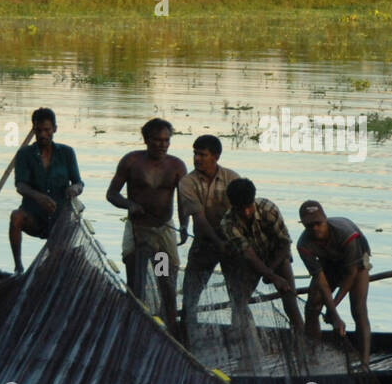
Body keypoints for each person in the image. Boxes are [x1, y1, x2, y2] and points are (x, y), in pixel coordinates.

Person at [106, 117, 187, 337]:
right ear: (146, 140)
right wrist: (129, 204)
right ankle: (133, 326)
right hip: (138, 229)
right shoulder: (132, 162)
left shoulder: (176, 166)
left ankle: (170, 328)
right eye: (157, 140)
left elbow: (183, 201)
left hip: (162, 232)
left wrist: (185, 224)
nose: (162, 145)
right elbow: (112, 194)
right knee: (136, 281)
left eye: (166, 141)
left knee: (164, 280)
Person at [218, 178, 303, 337]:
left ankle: (302, 342)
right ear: (233, 206)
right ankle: (243, 341)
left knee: (290, 299)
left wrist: (271, 272)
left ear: (253, 201)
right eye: (240, 209)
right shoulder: (228, 224)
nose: (246, 213)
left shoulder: (268, 209)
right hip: (248, 262)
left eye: (248, 207)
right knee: (239, 303)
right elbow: (249, 256)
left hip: (277, 255)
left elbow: (285, 244)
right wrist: (270, 276)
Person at [177, 135, 241, 344]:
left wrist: (230, 243)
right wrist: (218, 243)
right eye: (195, 154)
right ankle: (187, 336)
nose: (197, 159)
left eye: (202, 155)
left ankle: (237, 336)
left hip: (231, 242)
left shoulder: (232, 178)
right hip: (204, 242)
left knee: (238, 294)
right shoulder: (187, 182)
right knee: (191, 293)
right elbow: (200, 219)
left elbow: (241, 213)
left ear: (215, 156)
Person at [296, 201, 372, 366]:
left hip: (356, 264)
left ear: (325, 220)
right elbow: (321, 281)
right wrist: (333, 313)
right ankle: (312, 358)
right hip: (329, 263)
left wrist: (334, 308)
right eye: (310, 226)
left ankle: (365, 363)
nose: (315, 228)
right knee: (312, 307)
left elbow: (351, 274)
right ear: (303, 225)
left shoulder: (347, 234)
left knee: (358, 309)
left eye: (318, 223)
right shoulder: (303, 245)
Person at [9, 108, 84, 273]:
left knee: (55, 264)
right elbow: (20, 185)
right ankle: (18, 267)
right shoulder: (24, 154)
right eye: (38, 130)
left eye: (47, 130)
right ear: (33, 129)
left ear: (55, 129)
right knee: (16, 217)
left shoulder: (66, 153)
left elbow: (79, 183)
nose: (43, 134)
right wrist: (38, 197)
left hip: (60, 219)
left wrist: (74, 189)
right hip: (34, 216)